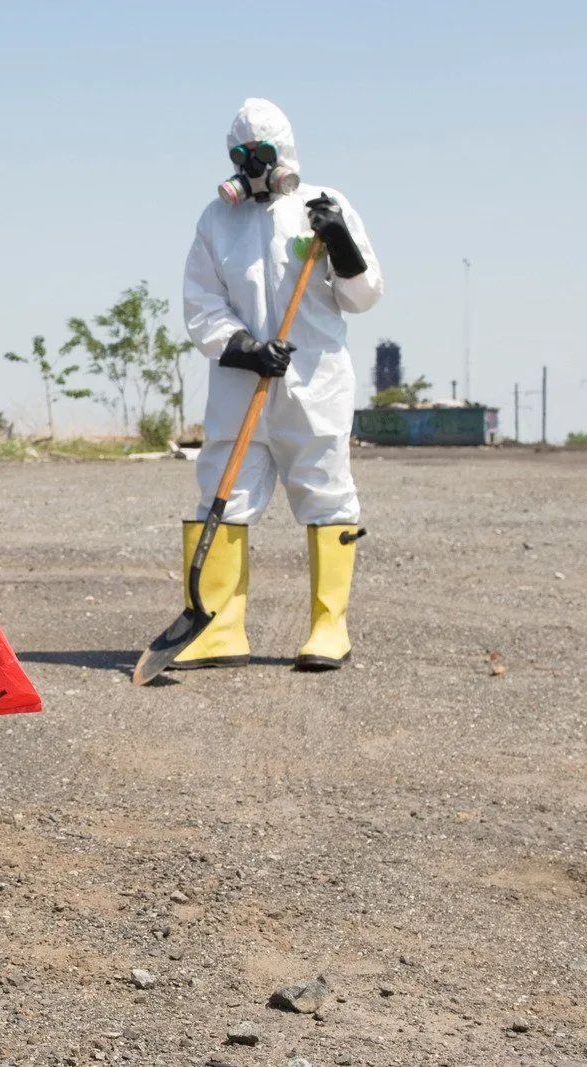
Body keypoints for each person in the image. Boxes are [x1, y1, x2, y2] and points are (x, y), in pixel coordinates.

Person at [175, 98, 382, 672]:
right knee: (222, 489)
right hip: (242, 385)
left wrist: (339, 242)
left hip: (314, 385)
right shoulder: (216, 220)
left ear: (285, 153)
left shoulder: (324, 206)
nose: (251, 167)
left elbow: (363, 297)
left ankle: (328, 627)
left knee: (325, 492)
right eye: (240, 156)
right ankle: (217, 629)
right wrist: (243, 347)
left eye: (261, 155)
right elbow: (201, 304)